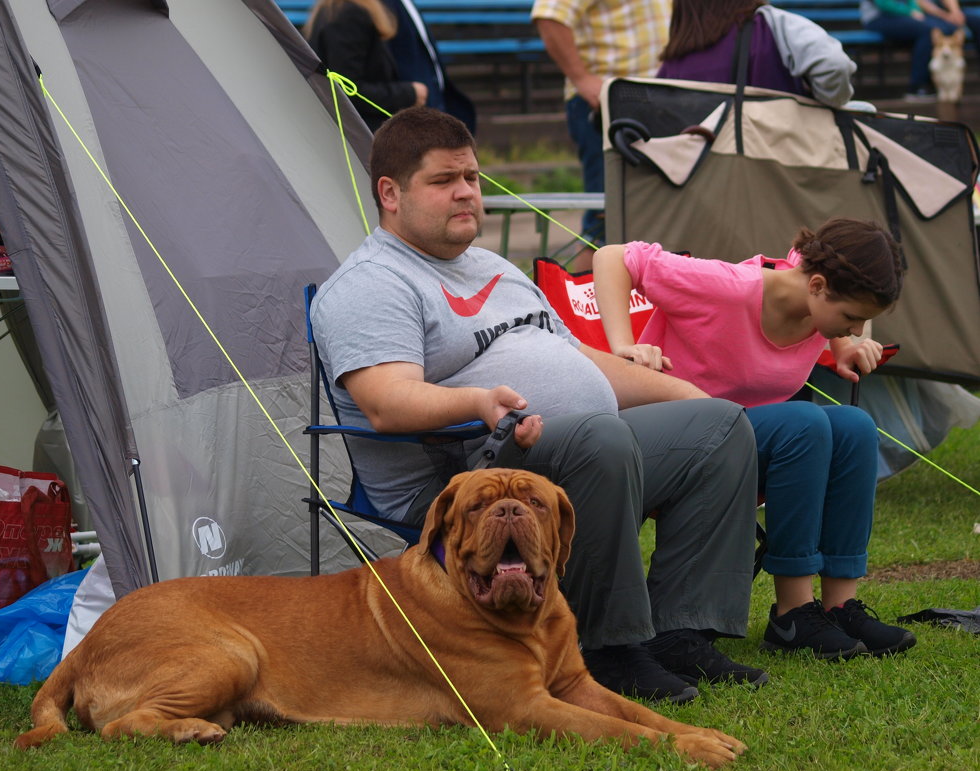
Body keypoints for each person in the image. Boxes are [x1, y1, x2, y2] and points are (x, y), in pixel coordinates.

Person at [311, 106, 768, 705]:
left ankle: (681, 632)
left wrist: (686, 395)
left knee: (720, 426)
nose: (467, 194)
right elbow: (387, 402)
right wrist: (476, 400)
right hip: (463, 476)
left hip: (570, 448)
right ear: (390, 193)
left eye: (472, 178)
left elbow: (577, 358)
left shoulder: (493, 267)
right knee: (601, 439)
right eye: (444, 181)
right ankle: (608, 649)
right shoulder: (373, 283)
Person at [591, 218, 918, 660]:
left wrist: (843, 343)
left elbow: (838, 260)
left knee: (854, 427)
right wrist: (622, 348)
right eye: (851, 319)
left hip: (737, 441)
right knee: (803, 422)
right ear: (817, 286)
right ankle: (793, 613)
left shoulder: (813, 283)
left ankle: (840, 605)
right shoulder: (726, 287)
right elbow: (613, 257)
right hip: (669, 439)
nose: (857, 330)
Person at [532, 0, 671, 258]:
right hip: (607, 103)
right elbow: (549, 16)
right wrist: (581, 78)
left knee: (646, 222)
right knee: (605, 222)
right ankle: (583, 298)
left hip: (654, 101)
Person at [658, 0, 859, 108]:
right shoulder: (772, 24)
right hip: (778, 164)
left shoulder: (674, 58)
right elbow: (833, 65)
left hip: (706, 177)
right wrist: (829, 103)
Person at [304, 0, 428, 131]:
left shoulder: (338, 9)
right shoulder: (349, 13)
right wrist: (409, 94)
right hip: (358, 133)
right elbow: (349, 90)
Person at [381, 0, 477, 133]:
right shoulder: (381, 7)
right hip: (413, 117)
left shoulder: (406, 4)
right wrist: (408, 93)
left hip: (434, 106)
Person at [860, 0, 980, 99]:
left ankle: (941, 84)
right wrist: (910, 12)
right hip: (879, 18)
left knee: (945, 28)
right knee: (929, 31)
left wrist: (915, 10)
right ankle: (916, 87)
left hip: (906, 15)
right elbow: (884, 4)